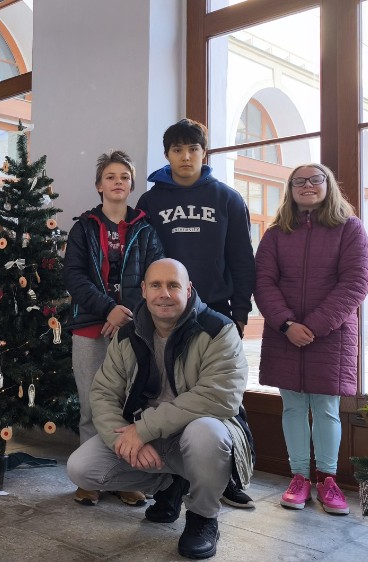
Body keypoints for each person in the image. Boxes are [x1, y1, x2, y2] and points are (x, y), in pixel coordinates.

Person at [66, 259, 253, 560]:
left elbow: (219, 396)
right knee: (81, 468)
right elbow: (103, 393)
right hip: (149, 437)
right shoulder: (127, 334)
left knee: (206, 433)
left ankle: (203, 518)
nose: (164, 293)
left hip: (196, 435)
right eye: (156, 285)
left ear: (188, 289)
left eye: (173, 285)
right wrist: (124, 440)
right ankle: (170, 483)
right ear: (143, 290)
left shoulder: (219, 329)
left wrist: (143, 430)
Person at [136, 118, 257, 509]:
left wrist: (241, 310)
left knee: (224, 396)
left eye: (193, 149)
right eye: (177, 150)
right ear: (167, 155)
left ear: (204, 153)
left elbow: (242, 259)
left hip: (215, 312)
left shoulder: (228, 199)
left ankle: (230, 474)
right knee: (169, 391)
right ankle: (172, 481)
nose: (185, 157)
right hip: (165, 310)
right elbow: (142, 260)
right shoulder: (150, 202)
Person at [254, 164, 368, 515]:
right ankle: (299, 478)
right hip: (285, 335)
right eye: (299, 181)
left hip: (331, 336)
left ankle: (327, 481)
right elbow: (263, 282)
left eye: (315, 180)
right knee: (292, 408)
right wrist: (287, 324)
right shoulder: (276, 233)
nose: (307, 186)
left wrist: (314, 326)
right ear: (290, 189)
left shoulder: (350, 228)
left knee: (326, 410)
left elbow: (356, 282)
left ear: (328, 185)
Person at [63, 150, 165, 507]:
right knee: (91, 404)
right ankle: (89, 479)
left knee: (127, 405)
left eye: (124, 177)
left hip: (134, 328)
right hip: (89, 327)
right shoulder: (83, 228)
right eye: (111, 176)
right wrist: (108, 309)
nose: (118, 182)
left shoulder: (146, 230)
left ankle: (123, 477)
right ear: (99, 185)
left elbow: (156, 277)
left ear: (131, 185)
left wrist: (127, 314)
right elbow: (73, 277)